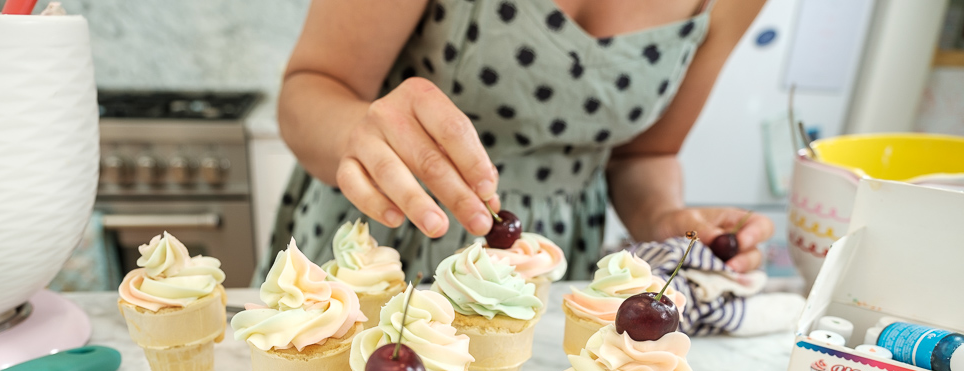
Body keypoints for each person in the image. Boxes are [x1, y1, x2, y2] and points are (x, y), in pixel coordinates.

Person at [262, 0, 774, 282]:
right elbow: (309, 90)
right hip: (382, 238)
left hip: (545, 265)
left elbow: (645, 153)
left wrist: (663, 217)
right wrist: (357, 131)